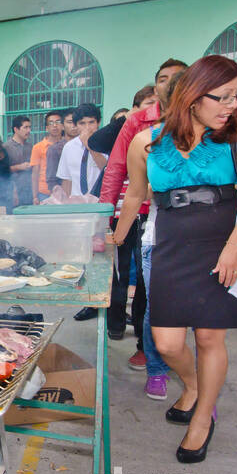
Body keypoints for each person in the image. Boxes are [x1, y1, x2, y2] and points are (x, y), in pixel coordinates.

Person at [110, 55, 237, 462]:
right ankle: (195, 385)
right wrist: (115, 236)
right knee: (166, 342)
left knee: (208, 337)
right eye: (224, 97)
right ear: (195, 95)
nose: (232, 105)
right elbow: (134, 195)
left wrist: (235, 246)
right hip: (171, 245)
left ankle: (202, 418)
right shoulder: (146, 142)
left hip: (221, 244)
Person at [96, 60, 188, 394]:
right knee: (146, 289)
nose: (170, 84)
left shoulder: (210, 125)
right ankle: (152, 358)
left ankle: (194, 384)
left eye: (177, 78)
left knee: (192, 313)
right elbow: (117, 170)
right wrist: (108, 221)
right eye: (162, 79)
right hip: (145, 218)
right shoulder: (137, 124)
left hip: (200, 231)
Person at [89, 86, 159, 359]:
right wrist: (128, 117)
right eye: (147, 103)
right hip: (120, 214)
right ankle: (115, 324)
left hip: (148, 214)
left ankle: (143, 343)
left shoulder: (163, 131)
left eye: (154, 103)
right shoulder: (128, 128)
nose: (152, 108)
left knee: (144, 279)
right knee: (117, 275)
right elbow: (97, 141)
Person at [56, 103, 104, 197]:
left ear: (98, 123)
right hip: (76, 202)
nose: (87, 127)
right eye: (82, 123)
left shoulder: (106, 143)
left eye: (91, 122)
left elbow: (106, 170)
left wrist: (89, 146)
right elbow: (67, 179)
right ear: (76, 125)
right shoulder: (69, 147)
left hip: (100, 202)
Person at [30, 111, 64, 203]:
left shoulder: (68, 146)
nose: (55, 125)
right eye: (51, 123)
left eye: (58, 122)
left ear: (63, 126)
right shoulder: (37, 147)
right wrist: (35, 197)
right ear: (46, 128)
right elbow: (35, 173)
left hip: (64, 191)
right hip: (44, 193)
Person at [44, 108, 77, 193]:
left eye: (76, 122)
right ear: (62, 126)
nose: (74, 125)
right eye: (69, 122)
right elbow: (51, 180)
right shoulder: (55, 149)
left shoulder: (86, 146)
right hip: (65, 198)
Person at [4, 115, 34, 207]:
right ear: (16, 129)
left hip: (29, 191)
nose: (28, 131)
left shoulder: (30, 147)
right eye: (25, 127)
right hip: (13, 191)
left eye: (29, 127)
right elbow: (2, 170)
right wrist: (19, 167)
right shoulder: (6, 147)